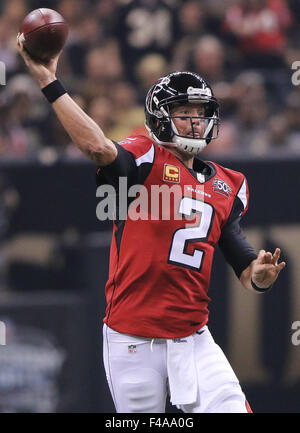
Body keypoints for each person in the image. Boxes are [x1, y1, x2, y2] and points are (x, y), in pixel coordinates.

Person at [17, 36, 286, 413]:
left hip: (194, 338)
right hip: (133, 338)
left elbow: (241, 261)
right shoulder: (146, 154)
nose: (194, 121)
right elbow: (98, 148)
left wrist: (258, 274)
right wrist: (50, 83)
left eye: (200, 111)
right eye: (184, 112)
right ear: (160, 117)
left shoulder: (231, 184)